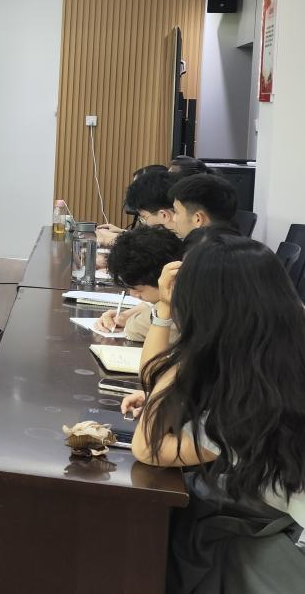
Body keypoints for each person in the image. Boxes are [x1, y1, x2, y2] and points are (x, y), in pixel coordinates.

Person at [121, 237, 305, 591]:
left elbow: (150, 448)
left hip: (291, 548)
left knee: (170, 534)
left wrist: (184, 347)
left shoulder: (251, 400)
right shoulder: (279, 352)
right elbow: (153, 381)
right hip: (280, 513)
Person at [94, 224, 183, 341]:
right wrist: (126, 315)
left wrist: (131, 319)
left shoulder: (182, 307)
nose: (133, 295)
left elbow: (135, 329)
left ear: (166, 279)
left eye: (138, 290)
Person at [96, 169, 177, 245]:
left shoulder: (180, 245)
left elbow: (156, 247)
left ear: (164, 215)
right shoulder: (177, 234)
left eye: (144, 217)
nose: (143, 222)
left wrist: (114, 239)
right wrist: (123, 232)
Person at [167, 173, 238, 240]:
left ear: (198, 219)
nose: (174, 218)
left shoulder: (196, 248)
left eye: (176, 212)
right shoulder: (238, 244)